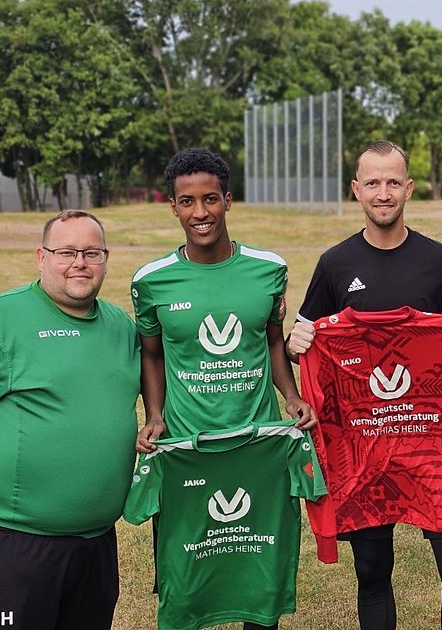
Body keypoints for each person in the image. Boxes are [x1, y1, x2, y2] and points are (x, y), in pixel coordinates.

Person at [285, 139, 442, 630]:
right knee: (373, 571)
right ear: (356, 190)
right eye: (373, 183)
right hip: (363, 446)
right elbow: (304, 332)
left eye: (393, 182)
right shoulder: (335, 263)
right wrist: (299, 338)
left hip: (432, 444)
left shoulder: (438, 260)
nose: (383, 193)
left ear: (409, 188)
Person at [0, 210, 141, 630]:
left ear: (106, 258)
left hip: (95, 544)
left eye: (92, 252)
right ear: (41, 256)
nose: (80, 262)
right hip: (11, 545)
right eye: (66, 251)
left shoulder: (120, 328)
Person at [131, 147, 315, 630]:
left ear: (228, 200)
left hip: (257, 445)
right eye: (187, 202)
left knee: (259, 571)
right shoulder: (152, 282)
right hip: (187, 448)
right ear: (172, 206)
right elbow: (151, 353)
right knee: (187, 577)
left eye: (210, 199)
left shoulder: (267, 269)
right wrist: (154, 413)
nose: (200, 213)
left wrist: (290, 395)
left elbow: (273, 340)